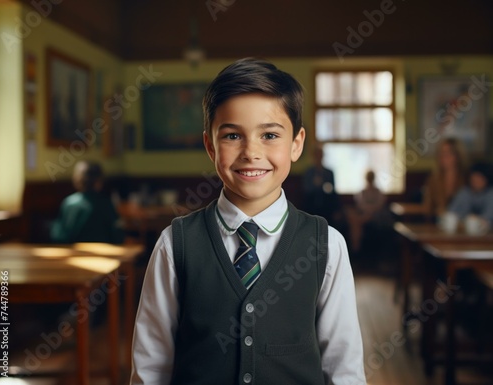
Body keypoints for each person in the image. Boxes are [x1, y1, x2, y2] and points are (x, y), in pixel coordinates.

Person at [130, 58, 366, 384]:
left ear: (296, 144)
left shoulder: (327, 245)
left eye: (269, 135)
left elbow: (344, 368)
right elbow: (151, 366)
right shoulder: (176, 244)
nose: (250, 152)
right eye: (231, 136)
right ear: (210, 146)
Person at [51, 160, 124, 244]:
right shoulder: (106, 203)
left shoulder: (68, 203)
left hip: (73, 254)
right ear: (98, 181)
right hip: (101, 254)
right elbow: (118, 236)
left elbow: (58, 235)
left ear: (78, 180)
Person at [423, 137, 468, 221]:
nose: (443, 157)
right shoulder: (433, 179)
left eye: (447, 153)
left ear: (457, 155)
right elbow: (428, 208)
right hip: (438, 224)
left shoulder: (467, 178)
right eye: (441, 153)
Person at [348, 170, 392, 254]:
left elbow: (380, 205)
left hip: (377, 217)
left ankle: (356, 249)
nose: (370, 179)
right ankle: (356, 249)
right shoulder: (362, 192)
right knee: (353, 218)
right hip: (365, 215)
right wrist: (368, 210)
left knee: (356, 221)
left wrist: (370, 210)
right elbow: (360, 205)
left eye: (371, 177)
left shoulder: (378, 192)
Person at [302, 144, 343, 227]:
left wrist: (322, 185)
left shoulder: (329, 173)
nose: (318, 157)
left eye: (320, 155)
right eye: (316, 155)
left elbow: (332, 191)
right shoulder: (308, 173)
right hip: (311, 206)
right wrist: (315, 185)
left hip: (327, 205)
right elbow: (306, 190)